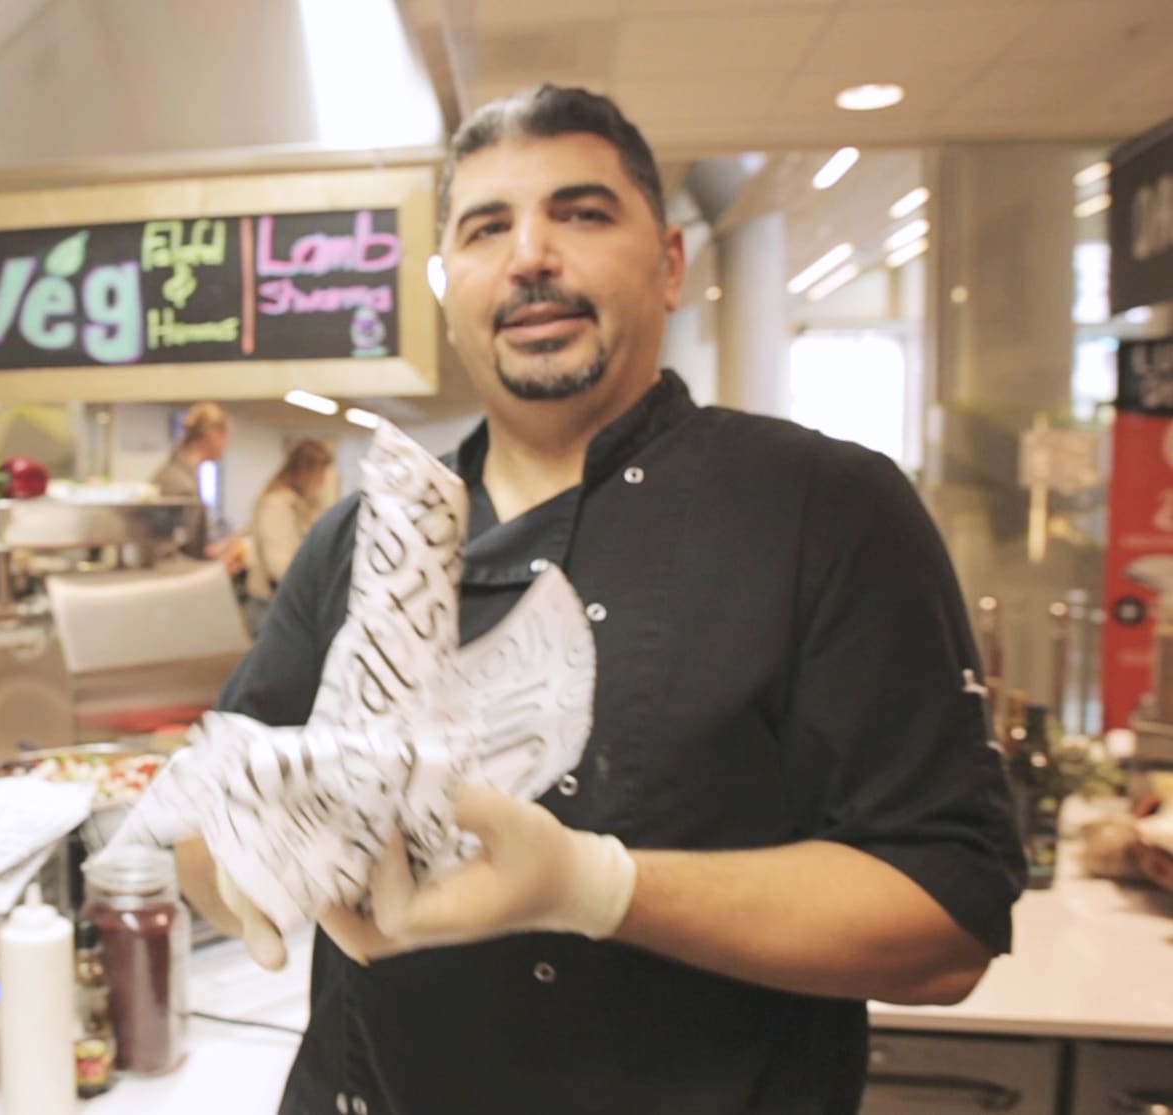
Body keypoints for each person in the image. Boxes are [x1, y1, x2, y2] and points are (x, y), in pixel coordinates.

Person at [174, 84, 1025, 1115]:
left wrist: (592, 885)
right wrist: (244, 857)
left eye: (581, 213)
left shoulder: (828, 509)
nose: (531, 253)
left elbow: (946, 920)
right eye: (488, 227)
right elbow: (204, 824)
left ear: (669, 266)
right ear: (451, 289)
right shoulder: (358, 537)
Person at [244, 439, 335, 633]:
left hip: (287, 602)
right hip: (270, 607)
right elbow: (278, 566)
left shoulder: (303, 505)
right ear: (304, 471)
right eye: (319, 473)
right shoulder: (276, 504)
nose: (322, 481)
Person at [153, 401, 243, 570]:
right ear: (213, 435)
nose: (228, 444)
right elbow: (165, 556)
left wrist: (211, 552)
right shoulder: (177, 484)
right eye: (226, 436)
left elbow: (186, 545)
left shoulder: (182, 475)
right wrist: (215, 569)